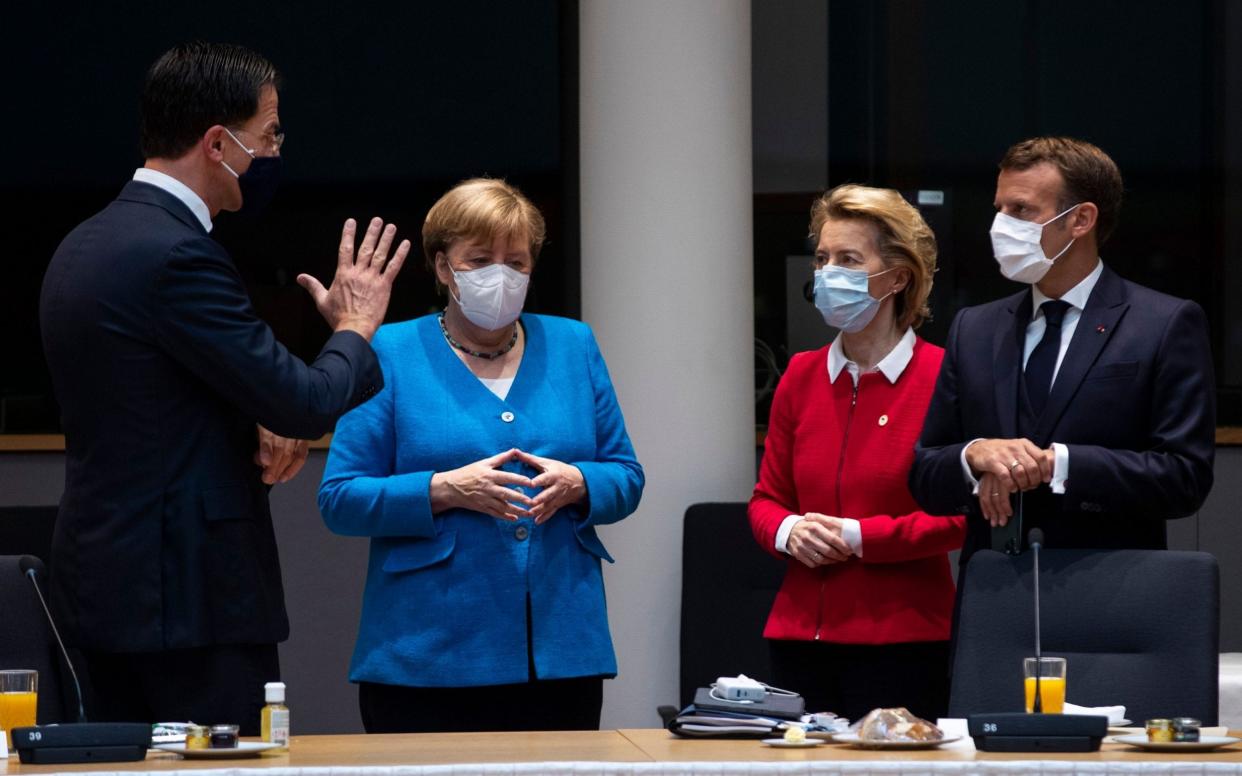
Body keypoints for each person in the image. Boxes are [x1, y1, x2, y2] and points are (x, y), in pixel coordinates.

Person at [39, 42, 411, 732]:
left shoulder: (83, 244)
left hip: (101, 589)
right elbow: (303, 400)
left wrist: (255, 424)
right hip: (189, 605)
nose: (274, 153)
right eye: (268, 136)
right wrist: (355, 326)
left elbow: (155, 405)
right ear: (217, 143)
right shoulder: (179, 255)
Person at [318, 178, 644, 733]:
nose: (502, 274)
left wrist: (580, 482)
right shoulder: (388, 351)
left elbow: (626, 476)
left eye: (516, 261)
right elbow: (340, 498)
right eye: (480, 259)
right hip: (425, 656)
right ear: (443, 267)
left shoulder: (574, 344)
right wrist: (442, 490)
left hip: (560, 650)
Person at [909, 136, 1215, 565]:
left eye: (1022, 211)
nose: (1001, 226)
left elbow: (1185, 479)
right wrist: (973, 456)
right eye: (999, 209)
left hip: (1109, 587)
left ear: (1081, 219)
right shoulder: (974, 328)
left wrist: (1060, 464)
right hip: (994, 588)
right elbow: (924, 476)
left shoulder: (1162, 323)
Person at [749, 184, 966, 722]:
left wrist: (861, 537)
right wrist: (788, 532)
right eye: (822, 259)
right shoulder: (799, 375)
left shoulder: (945, 376)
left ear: (898, 276)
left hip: (905, 639)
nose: (828, 274)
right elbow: (765, 500)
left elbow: (963, 516)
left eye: (848, 259)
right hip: (799, 638)